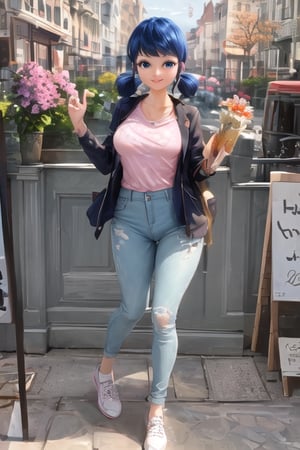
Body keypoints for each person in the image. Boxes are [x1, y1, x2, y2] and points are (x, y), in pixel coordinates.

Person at [68, 16, 223, 450]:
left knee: (162, 315)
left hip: (177, 221)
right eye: (146, 62)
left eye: (167, 62)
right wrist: (80, 127)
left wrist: (215, 156)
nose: (157, 72)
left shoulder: (189, 114)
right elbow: (106, 164)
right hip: (131, 218)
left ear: (180, 65)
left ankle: (156, 411)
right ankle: (104, 373)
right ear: (134, 65)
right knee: (133, 305)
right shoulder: (124, 110)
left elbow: (195, 171)